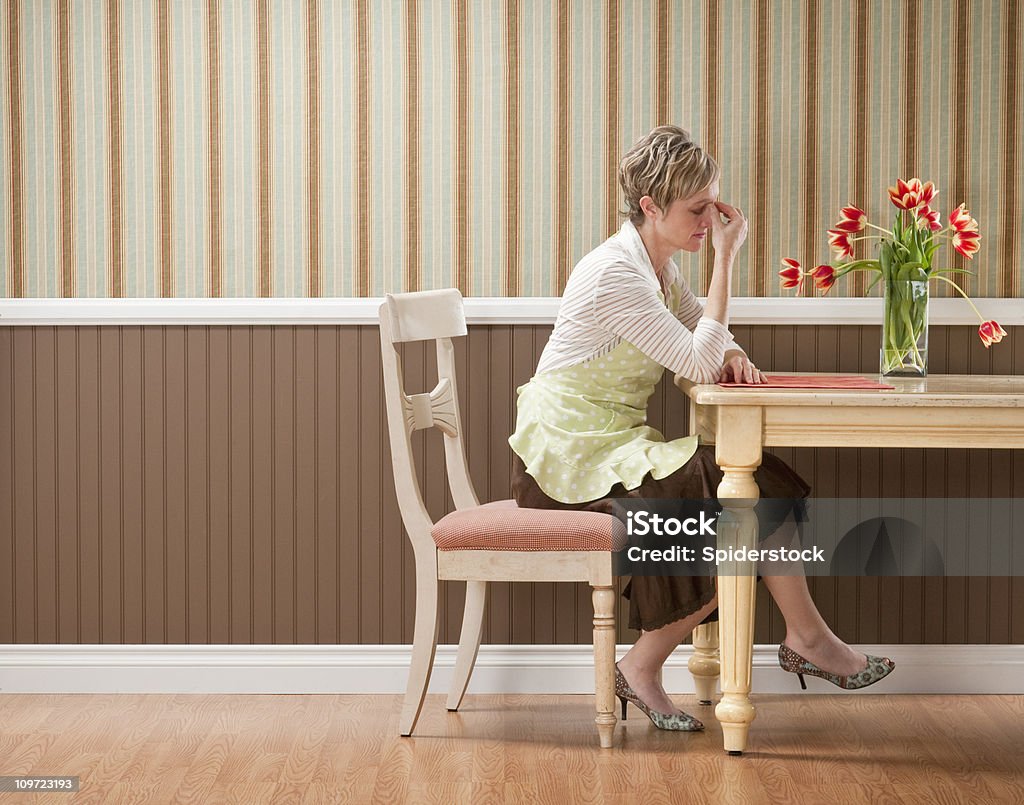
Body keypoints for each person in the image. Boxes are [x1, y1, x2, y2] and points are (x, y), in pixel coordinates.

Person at [508, 125, 894, 731]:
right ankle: (788, 643)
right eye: (697, 210)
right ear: (650, 208)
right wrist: (727, 255)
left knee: (746, 492)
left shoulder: (657, 268)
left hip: (613, 448)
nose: (710, 220)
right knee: (739, 494)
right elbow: (692, 358)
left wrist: (734, 352)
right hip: (565, 461)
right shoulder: (615, 273)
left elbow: (705, 336)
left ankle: (778, 642)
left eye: (714, 206)